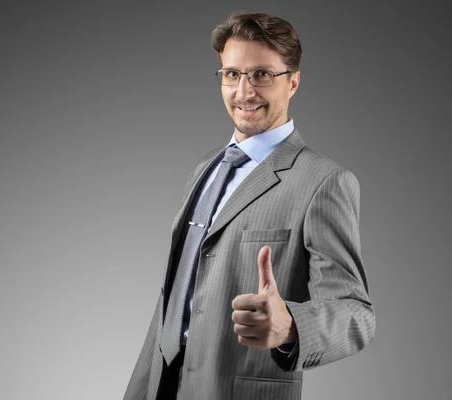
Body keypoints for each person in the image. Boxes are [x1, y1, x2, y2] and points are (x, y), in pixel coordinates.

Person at [123, 12, 375, 400]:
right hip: (160, 386)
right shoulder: (206, 168)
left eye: (262, 75)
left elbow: (356, 313)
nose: (244, 91)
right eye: (232, 74)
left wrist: (291, 326)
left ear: (293, 81)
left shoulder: (323, 182)